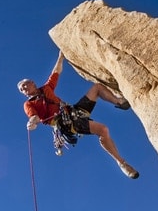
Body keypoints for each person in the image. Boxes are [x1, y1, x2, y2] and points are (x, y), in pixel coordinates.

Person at [18, 51, 139, 179]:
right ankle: (122, 163)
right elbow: (34, 116)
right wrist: (32, 122)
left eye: (25, 85)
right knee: (103, 130)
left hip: (73, 111)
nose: (24, 89)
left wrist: (60, 56)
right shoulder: (28, 104)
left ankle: (120, 101)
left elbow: (56, 72)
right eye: (21, 89)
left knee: (97, 88)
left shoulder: (46, 89)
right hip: (65, 123)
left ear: (32, 83)